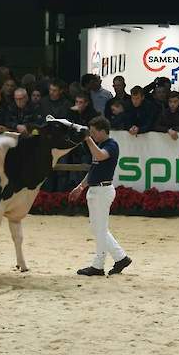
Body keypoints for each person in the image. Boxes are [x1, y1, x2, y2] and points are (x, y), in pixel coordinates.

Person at [69, 116, 132, 277]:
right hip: (97, 189)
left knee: (100, 229)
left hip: (103, 191)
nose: (92, 135)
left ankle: (98, 265)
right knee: (98, 228)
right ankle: (120, 257)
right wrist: (81, 186)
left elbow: (100, 156)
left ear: (103, 131)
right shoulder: (101, 145)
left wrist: (88, 140)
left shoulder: (111, 145)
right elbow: (93, 169)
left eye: (94, 132)